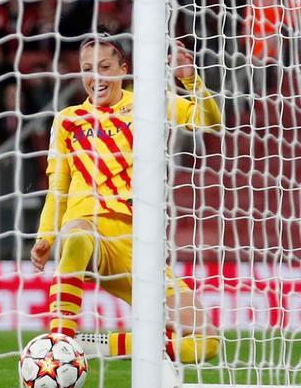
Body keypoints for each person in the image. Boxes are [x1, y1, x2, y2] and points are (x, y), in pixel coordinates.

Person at [30, 34, 222, 364]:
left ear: (122, 68)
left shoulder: (149, 103)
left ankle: (96, 347)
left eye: (104, 67)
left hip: (138, 249)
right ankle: (59, 339)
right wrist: (45, 237)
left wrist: (191, 80)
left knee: (208, 342)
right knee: (76, 233)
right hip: (90, 238)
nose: (97, 76)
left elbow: (210, 121)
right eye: (87, 69)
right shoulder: (68, 120)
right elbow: (57, 186)